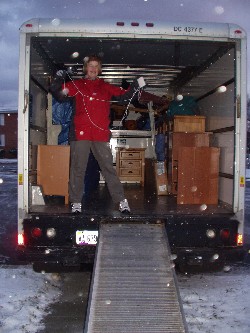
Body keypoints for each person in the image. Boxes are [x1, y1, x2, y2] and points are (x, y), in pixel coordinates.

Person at [50, 55, 144, 214]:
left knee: (108, 168)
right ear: (86, 68)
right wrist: (59, 76)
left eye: (96, 66)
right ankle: (76, 202)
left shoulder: (105, 86)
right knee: (78, 169)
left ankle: (121, 201)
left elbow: (125, 96)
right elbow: (58, 93)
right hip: (81, 133)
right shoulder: (77, 85)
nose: (93, 69)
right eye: (90, 66)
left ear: (99, 69)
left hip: (100, 134)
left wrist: (136, 85)